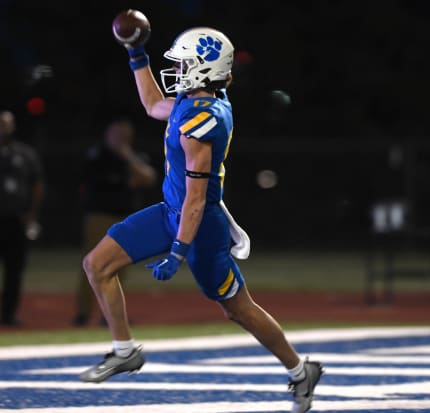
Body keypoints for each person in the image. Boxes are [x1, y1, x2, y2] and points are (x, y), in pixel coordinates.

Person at [78, 26, 323, 412]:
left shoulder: (203, 123)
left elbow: (195, 200)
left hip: (200, 224)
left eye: (185, 64)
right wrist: (136, 53)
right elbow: (152, 104)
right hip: (169, 212)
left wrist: (177, 252)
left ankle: (299, 369)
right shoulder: (192, 100)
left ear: (204, 70)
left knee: (236, 308)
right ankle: (125, 350)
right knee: (97, 264)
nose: (176, 70)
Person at [73, 117, 157, 326]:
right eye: (118, 134)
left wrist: (127, 156)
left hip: (125, 219)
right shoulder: (97, 156)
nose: (122, 139)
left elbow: (149, 177)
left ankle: (109, 316)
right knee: (92, 265)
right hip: (100, 217)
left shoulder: (133, 156)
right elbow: (98, 183)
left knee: (120, 268)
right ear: (107, 135)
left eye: (126, 135)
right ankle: (83, 314)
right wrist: (127, 180)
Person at [0, 110, 45, 326]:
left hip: (15, 220)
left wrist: (31, 213)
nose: (4, 128)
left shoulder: (25, 154)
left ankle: (8, 314)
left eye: (7, 123)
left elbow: (37, 184)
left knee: (14, 270)